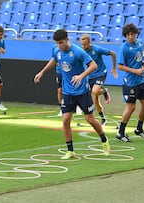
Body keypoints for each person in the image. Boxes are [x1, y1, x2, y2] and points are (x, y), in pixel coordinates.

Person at [34, 29, 111, 159]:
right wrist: (42, 72)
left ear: (67, 40)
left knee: (90, 119)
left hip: (82, 91)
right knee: (65, 120)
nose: (59, 45)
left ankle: (104, 140)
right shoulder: (57, 50)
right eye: (57, 43)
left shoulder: (77, 51)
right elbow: (54, 60)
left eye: (61, 42)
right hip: (67, 91)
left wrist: (81, 76)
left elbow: (93, 66)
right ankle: (70, 151)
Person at [115, 23, 144, 142]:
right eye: (128, 35)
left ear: (136, 34)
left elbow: (141, 57)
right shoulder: (124, 48)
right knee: (131, 107)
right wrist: (135, 70)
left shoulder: (140, 43)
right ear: (125, 36)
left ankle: (139, 128)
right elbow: (120, 66)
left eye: (133, 34)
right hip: (130, 81)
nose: (131, 37)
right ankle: (120, 132)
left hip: (140, 80)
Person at [80, 34, 118, 125]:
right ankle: (103, 118)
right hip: (90, 76)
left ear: (89, 43)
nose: (83, 46)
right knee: (95, 98)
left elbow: (113, 53)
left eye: (85, 44)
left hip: (101, 72)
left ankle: (102, 91)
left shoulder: (97, 49)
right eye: (82, 44)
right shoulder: (81, 52)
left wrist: (113, 68)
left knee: (94, 91)